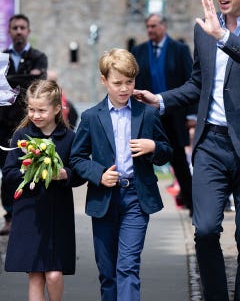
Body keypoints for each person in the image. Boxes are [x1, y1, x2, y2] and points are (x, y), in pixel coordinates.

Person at [133, 0, 240, 299]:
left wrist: (224, 37)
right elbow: (197, 84)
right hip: (211, 145)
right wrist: (160, 99)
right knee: (204, 230)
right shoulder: (205, 28)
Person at [70, 48, 172, 301]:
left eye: (130, 82)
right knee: (107, 272)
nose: (124, 88)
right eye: (117, 83)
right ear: (104, 81)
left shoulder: (146, 113)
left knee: (127, 266)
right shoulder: (91, 117)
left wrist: (154, 147)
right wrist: (99, 174)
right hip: (104, 198)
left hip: (137, 197)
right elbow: (77, 158)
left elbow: (167, 151)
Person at [2, 80, 84, 301]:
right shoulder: (22, 136)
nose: (35, 115)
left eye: (41, 110)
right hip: (30, 213)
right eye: (31, 109)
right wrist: (30, 173)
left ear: (57, 109)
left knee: (55, 275)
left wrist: (65, 174)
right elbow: (9, 173)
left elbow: (79, 174)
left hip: (59, 215)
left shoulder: (69, 138)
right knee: (36, 275)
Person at [131, 12, 194, 213]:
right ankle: (138, 203)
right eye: (148, 26)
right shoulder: (138, 52)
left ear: (164, 26)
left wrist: (191, 115)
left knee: (180, 162)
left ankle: (192, 203)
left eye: (154, 26)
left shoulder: (180, 50)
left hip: (174, 115)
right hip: (148, 116)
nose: (150, 30)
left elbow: (191, 82)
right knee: (141, 157)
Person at [0, 13, 48, 235]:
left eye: (22, 28)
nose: (18, 31)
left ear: (28, 31)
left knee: (31, 167)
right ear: (9, 31)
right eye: (15, 28)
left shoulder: (39, 56)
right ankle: (9, 216)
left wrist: (13, 79)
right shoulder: (0, 58)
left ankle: (27, 214)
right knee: (8, 172)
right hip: (4, 123)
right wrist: (25, 77)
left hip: (30, 122)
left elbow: (36, 83)